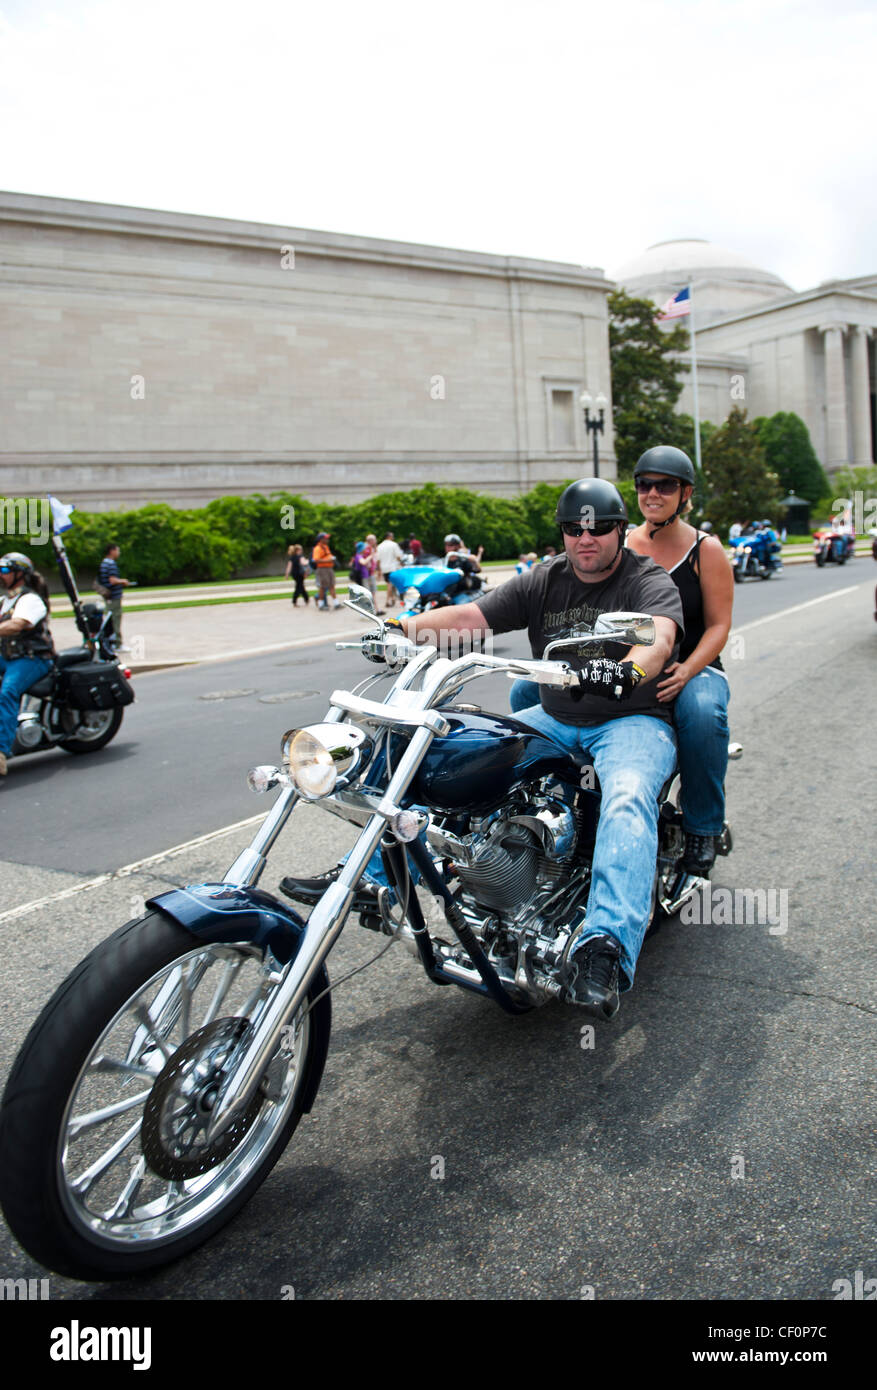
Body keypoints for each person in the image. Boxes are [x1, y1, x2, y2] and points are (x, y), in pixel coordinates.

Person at [389, 479, 684, 1023]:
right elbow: (470, 619)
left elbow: (658, 639)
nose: (585, 538)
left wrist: (629, 668)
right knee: (445, 747)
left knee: (627, 796)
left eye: (597, 528)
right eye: (574, 529)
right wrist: (402, 627)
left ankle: (604, 948)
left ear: (620, 529)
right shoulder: (543, 579)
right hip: (555, 715)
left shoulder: (648, 580)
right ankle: (374, 877)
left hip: (631, 719)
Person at [624, 445, 733, 878]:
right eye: (644, 484)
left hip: (694, 668)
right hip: (635, 665)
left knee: (702, 711)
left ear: (685, 492)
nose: (653, 493)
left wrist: (687, 670)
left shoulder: (706, 549)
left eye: (664, 485)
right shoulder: (622, 544)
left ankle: (702, 827)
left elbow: (719, 626)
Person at [0, 552, 55, 778]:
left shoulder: (30, 600)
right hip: (9, 657)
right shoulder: (5, 600)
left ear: (20, 574)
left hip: (32, 659)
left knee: (7, 693)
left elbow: (18, 624)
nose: (1, 575)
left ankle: (1, 754)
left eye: (5, 570)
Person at [97, 542, 132, 652]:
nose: (119, 553)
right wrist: (123, 581)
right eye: (118, 550)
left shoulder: (104, 563)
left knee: (109, 619)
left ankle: (111, 643)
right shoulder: (110, 564)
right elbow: (112, 580)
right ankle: (117, 644)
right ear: (112, 551)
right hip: (113, 597)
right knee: (115, 620)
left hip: (108, 597)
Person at [311, 533, 341, 610]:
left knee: (332, 585)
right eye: (326, 538)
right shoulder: (317, 548)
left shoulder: (325, 547)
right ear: (321, 539)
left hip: (329, 568)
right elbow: (316, 560)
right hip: (322, 569)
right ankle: (321, 605)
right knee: (323, 587)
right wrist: (329, 559)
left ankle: (336, 603)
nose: (327, 539)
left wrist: (332, 559)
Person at [375, 531, 404, 607]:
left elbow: (378, 559)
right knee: (390, 585)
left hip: (384, 568)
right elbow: (398, 556)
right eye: (392, 536)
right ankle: (388, 600)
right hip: (393, 567)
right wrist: (401, 563)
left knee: (390, 584)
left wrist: (378, 570)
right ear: (389, 537)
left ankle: (393, 598)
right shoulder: (394, 545)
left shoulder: (380, 546)